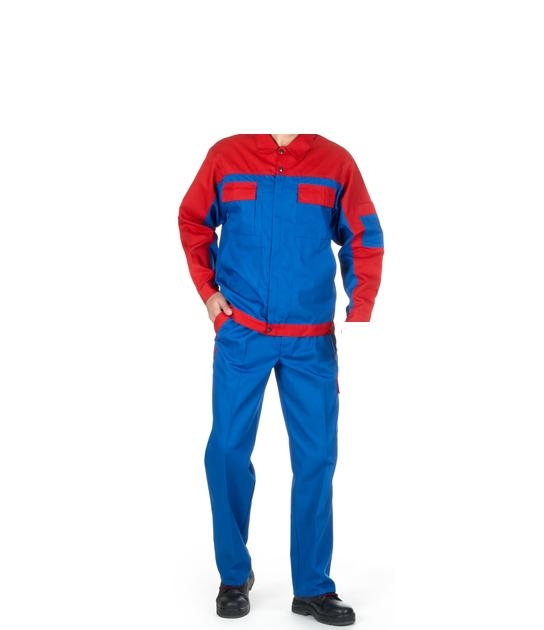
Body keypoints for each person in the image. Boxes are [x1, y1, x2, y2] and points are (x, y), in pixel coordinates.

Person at [177, 133, 384, 625]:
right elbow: (192, 219)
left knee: (316, 458)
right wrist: (207, 291)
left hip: (310, 341)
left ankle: (312, 587)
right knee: (226, 450)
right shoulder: (226, 155)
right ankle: (233, 576)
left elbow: (364, 233)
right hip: (242, 332)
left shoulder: (335, 161)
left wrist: (361, 308)